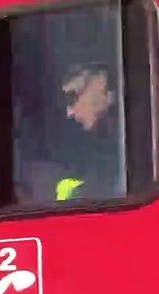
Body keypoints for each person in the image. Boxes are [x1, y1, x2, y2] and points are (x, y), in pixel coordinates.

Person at [19, 61, 124, 204]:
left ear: (100, 81)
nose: (70, 113)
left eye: (73, 97)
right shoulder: (98, 150)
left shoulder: (142, 126)